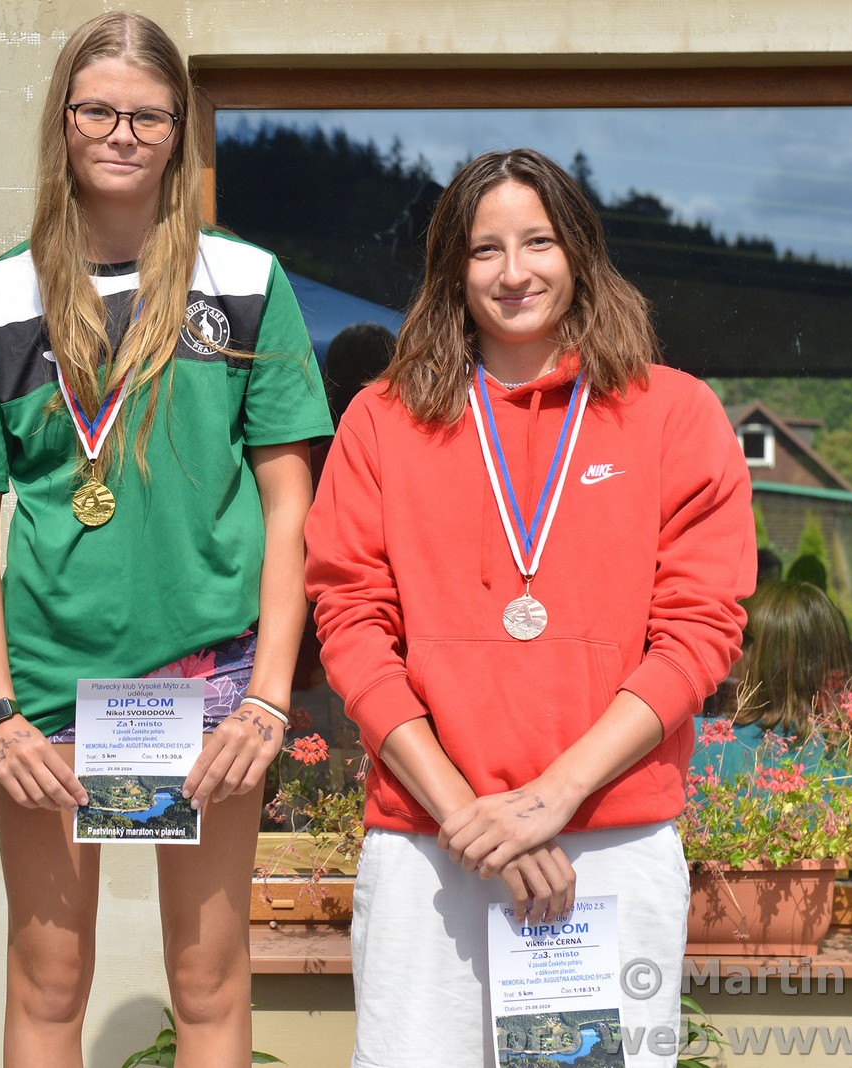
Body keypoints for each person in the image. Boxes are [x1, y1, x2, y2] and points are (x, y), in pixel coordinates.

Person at [0, 13, 331, 1066]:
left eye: (149, 116)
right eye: (97, 110)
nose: (122, 135)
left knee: (209, 977)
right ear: (62, 120)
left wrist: (270, 693)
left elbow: (291, 504)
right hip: (48, 688)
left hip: (215, 678)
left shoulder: (247, 283)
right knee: (48, 979)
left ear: (180, 131)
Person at [305, 147, 754, 1067]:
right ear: (451, 269)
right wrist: (477, 819)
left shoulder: (674, 414)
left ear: (580, 252)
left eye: (539, 242)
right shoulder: (382, 420)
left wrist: (550, 800)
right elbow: (351, 629)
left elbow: (698, 632)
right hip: (431, 845)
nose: (515, 272)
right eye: (486, 249)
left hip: (610, 844)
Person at [692, 581, 852, 832]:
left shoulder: (698, 746)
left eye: (738, 640)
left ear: (753, 655)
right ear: (835, 657)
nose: (731, 651)